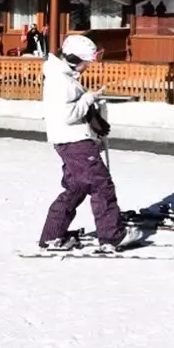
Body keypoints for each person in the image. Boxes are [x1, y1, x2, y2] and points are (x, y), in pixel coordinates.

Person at [38, 33, 144, 252]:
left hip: (71, 140)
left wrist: (93, 113)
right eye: (86, 62)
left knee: (75, 188)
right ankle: (112, 236)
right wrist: (89, 99)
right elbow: (68, 114)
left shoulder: (62, 76)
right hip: (74, 142)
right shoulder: (60, 80)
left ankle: (52, 235)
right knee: (100, 184)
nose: (88, 66)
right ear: (74, 59)